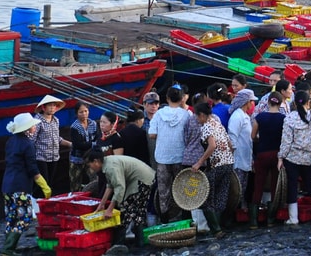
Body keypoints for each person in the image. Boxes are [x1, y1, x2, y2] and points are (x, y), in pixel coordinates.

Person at [1, 113, 52, 256]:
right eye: (33, 125)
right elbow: (32, 169)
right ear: (27, 128)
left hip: (7, 185)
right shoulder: (28, 144)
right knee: (24, 218)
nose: (35, 127)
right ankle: (7, 249)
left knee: (11, 218)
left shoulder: (10, 141)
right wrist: (44, 186)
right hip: (20, 186)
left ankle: (8, 249)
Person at [85, 151, 155, 250]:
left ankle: (119, 246)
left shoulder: (111, 167)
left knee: (125, 211)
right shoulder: (107, 163)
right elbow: (110, 185)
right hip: (143, 178)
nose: (91, 168)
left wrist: (110, 209)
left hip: (142, 180)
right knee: (136, 213)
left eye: (89, 165)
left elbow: (119, 188)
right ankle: (139, 244)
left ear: (96, 161)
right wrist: (102, 204)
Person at [278, 91, 311, 225]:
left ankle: (293, 218)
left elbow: (286, 141)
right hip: (309, 157)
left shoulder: (289, 118)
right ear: (308, 102)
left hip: (292, 157)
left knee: (292, 186)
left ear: (294, 103)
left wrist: (280, 157)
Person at [191, 102, 234, 238]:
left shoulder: (207, 126)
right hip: (229, 162)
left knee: (204, 197)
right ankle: (219, 227)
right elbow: (230, 145)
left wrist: (199, 162)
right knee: (221, 196)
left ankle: (216, 230)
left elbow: (212, 146)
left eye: (197, 117)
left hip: (217, 164)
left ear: (202, 115)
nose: (197, 120)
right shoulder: (218, 123)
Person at [149, 84, 190, 223]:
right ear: (181, 99)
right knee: (183, 188)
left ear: (166, 98)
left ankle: (164, 221)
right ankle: (186, 218)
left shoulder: (158, 114)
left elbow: (152, 134)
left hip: (162, 157)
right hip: (180, 156)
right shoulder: (187, 115)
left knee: (164, 191)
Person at [251, 91, 286, 228]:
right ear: (281, 103)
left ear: (268, 102)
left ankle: (253, 220)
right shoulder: (283, 118)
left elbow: (253, 136)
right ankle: (271, 219)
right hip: (277, 154)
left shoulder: (260, 117)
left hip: (262, 153)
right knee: (274, 185)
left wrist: (260, 140)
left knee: (258, 185)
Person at [31, 95, 71, 195]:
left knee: (51, 182)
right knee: (42, 184)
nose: (52, 108)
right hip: (41, 157)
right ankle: (36, 203)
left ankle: (46, 203)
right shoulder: (38, 121)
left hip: (54, 157)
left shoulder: (56, 120)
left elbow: (57, 138)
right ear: (44, 107)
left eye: (54, 105)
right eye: (50, 106)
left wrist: (70, 144)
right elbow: (32, 140)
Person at [226, 88, 256, 212]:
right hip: (238, 157)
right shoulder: (237, 116)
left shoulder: (244, 115)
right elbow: (232, 136)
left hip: (245, 156)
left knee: (243, 185)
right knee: (237, 187)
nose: (252, 104)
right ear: (246, 102)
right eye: (251, 101)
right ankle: (234, 211)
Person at [69, 103, 98, 192]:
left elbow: (97, 137)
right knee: (75, 183)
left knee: (95, 180)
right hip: (77, 159)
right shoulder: (74, 127)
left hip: (90, 158)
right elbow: (78, 144)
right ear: (76, 113)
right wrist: (93, 144)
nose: (84, 114)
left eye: (86, 111)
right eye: (81, 112)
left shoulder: (93, 123)